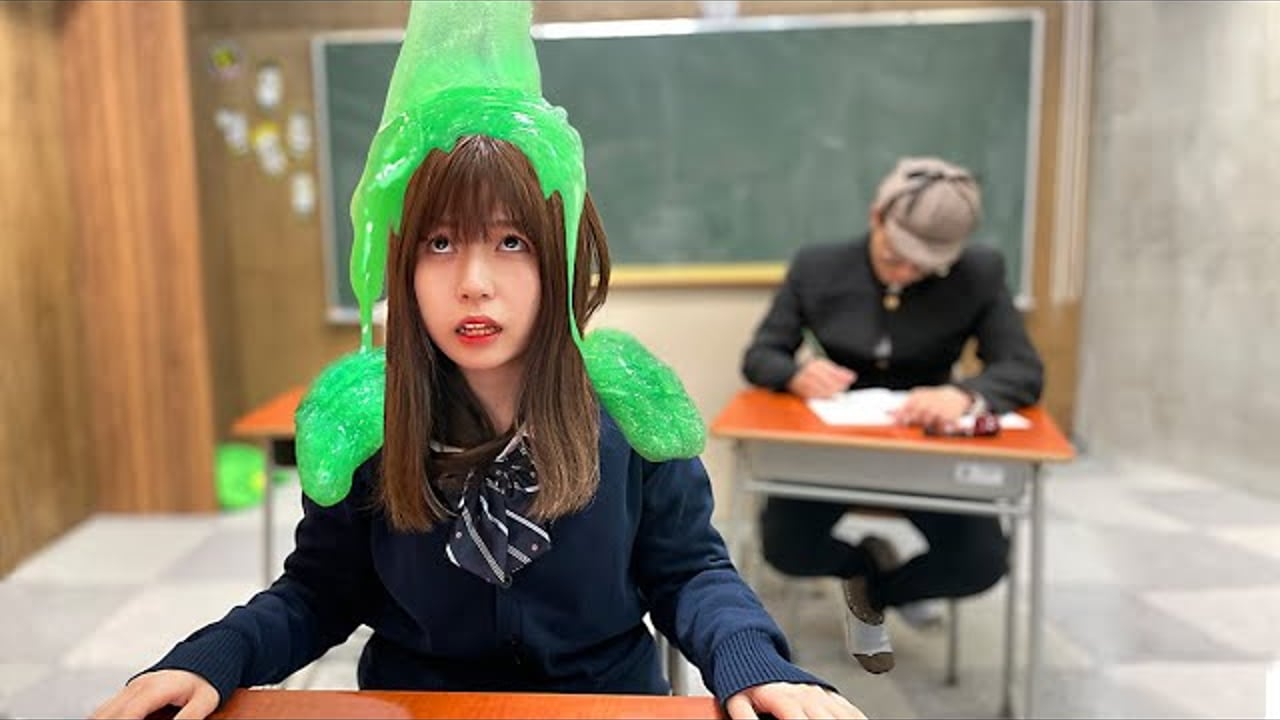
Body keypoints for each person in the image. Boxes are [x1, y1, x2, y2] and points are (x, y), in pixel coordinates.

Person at [91, 132, 867, 720]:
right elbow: (319, 591)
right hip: (417, 705)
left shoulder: (630, 410)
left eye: (511, 242)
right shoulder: (367, 425)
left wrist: (753, 662)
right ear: (405, 267)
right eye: (440, 243)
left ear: (562, 259)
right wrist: (214, 656)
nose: (473, 283)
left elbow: (690, 571)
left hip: (600, 703)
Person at [740, 156, 1044, 674]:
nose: (904, 273)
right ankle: (861, 566)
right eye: (895, 257)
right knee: (787, 548)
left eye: (924, 267)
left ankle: (878, 590)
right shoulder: (818, 266)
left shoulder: (981, 272)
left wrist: (965, 395)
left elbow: (1022, 369)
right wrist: (794, 373)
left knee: (980, 562)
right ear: (876, 216)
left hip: (928, 449)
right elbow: (760, 355)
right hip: (833, 447)